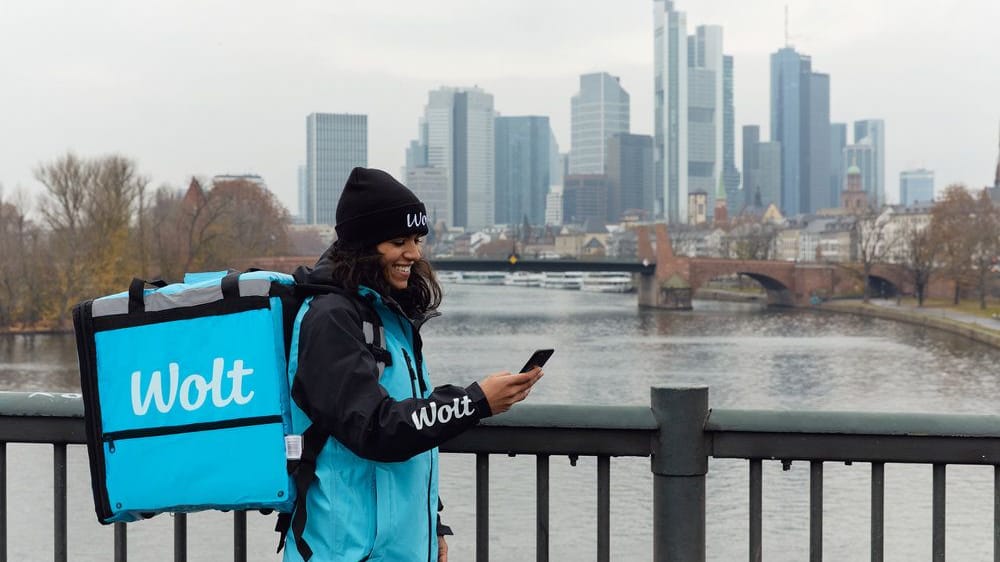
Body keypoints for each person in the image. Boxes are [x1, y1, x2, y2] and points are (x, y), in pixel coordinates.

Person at [281, 167, 544, 562]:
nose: (414, 253)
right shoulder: (330, 318)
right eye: (398, 241)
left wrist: (431, 523)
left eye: (417, 240)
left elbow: (412, 421)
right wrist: (475, 402)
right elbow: (377, 428)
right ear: (363, 244)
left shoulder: (390, 315)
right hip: (344, 551)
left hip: (400, 549)